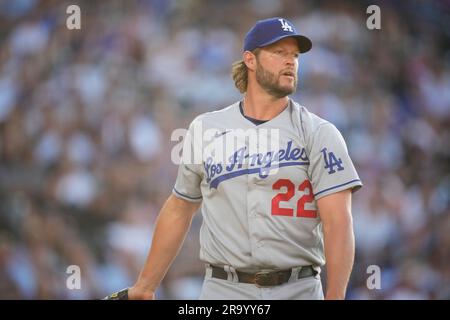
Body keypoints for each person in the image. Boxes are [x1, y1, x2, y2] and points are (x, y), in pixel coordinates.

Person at [121, 17, 362, 300]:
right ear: (250, 59)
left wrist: (335, 297)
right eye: (279, 52)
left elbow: (338, 222)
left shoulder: (319, 132)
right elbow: (179, 208)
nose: (290, 62)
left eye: (294, 55)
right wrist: (146, 287)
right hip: (224, 289)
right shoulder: (206, 128)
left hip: (299, 288)